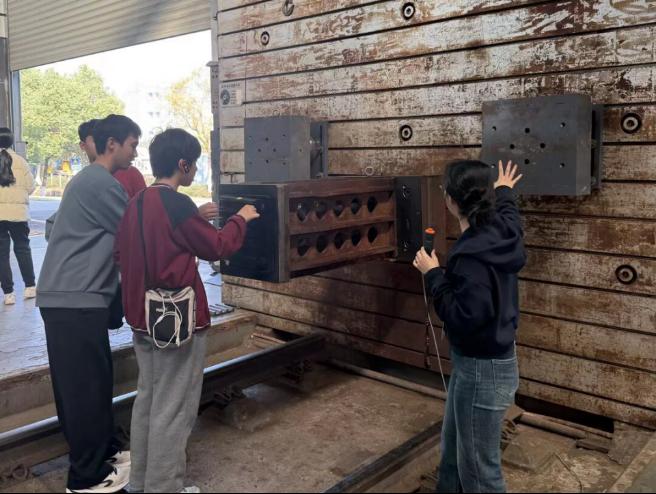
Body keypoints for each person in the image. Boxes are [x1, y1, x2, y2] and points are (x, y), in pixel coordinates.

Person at [115, 128, 259, 493]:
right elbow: (218, 246)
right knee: (174, 407)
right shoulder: (177, 205)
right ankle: (164, 487)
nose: (195, 170)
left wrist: (194, 218)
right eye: (193, 164)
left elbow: (133, 249)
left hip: (143, 319)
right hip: (176, 321)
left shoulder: (137, 202)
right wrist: (241, 218)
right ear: (183, 165)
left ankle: (141, 483)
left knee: (149, 400)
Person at [37, 115, 142, 493]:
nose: (135, 153)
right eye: (132, 144)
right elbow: (137, 233)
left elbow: (58, 228)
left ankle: (101, 454)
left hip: (72, 298)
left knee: (87, 386)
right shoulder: (101, 183)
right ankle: (86, 477)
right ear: (112, 144)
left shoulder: (88, 181)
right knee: (84, 390)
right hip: (74, 299)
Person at [413, 160, 526, 493]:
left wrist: (433, 274)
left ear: (450, 200)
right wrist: (505, 190)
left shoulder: (470, 259)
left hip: (482, 370)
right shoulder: (502, 231)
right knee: (453, 451)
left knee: (479, 472)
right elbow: (510, 215)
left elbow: (464, 317)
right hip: (481, 364)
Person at [0, 127, 37, 305]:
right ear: (11, 141)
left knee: (2, 254)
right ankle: (30, 287)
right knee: (23, 249)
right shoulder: (21, 162)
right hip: (19, 215)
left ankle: (8, 294)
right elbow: (30, 187)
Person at [79, 119, 147, 200]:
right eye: (133, 146)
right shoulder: (107, 184)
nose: (135, 154)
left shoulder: (81, 179)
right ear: (111, 143)